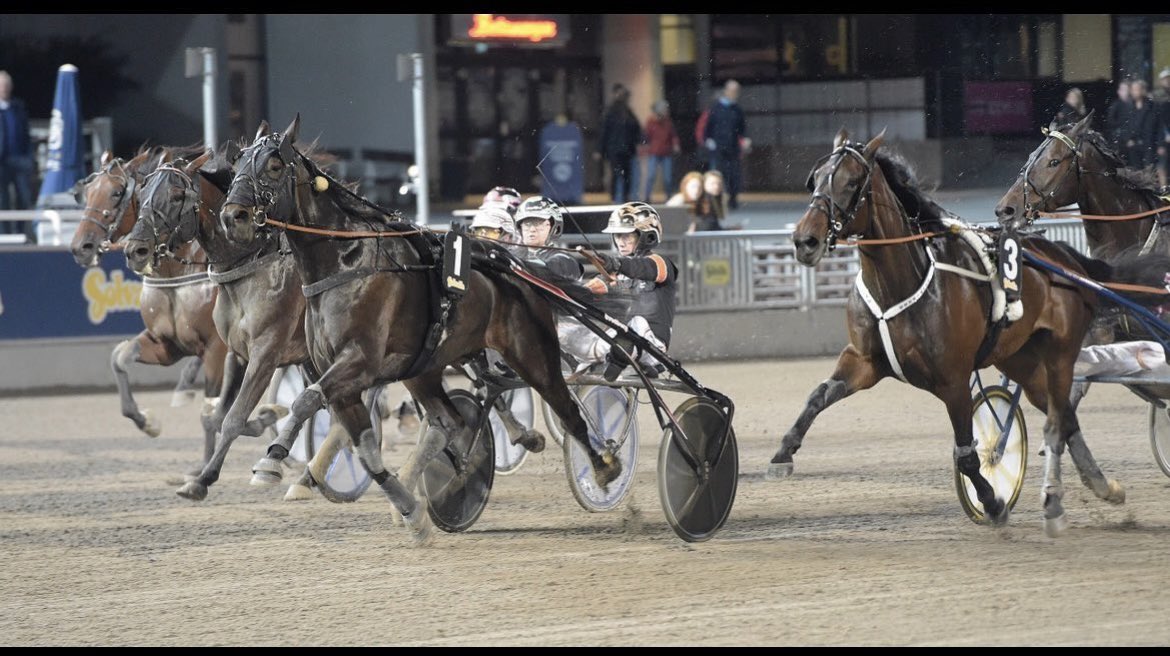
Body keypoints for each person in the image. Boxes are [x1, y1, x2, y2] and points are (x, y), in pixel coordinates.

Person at [578, 202, 679, 381]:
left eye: (627, 236)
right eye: (617, 235)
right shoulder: (614, 273)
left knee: (637, 323)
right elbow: (586, 292)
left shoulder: (662, 263)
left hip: (653, 345)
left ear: (645, 236)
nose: (620, 242)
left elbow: (643, 267)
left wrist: (617, 264)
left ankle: (630, 358)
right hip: (621, 339)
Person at [703, 79, 750, 210]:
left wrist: (745, 139)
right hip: (718, 148)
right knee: (717, 175)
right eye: (732, 91)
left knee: (733, 174)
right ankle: (715, 201)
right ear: (726, 91)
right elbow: (708, 127)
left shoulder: (737, 110)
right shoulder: (716, 108)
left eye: (736, 91)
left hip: (733, 147)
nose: (735, 94)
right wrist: (708, 140)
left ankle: (732, 199)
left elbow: (742, 128)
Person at [594, 83, 643, 204]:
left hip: (624, 148)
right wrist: (599, 149)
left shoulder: (626, 111)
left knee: (625, 174)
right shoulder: (611, 111)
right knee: (617, 174)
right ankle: (615, 197)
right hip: (617, 148)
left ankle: (623, 197)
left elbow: (636, 128)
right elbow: (604, 131)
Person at [0, 70, 35, 237]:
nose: (4, 88)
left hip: (19, 160)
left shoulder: (18, 107)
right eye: (1, 85)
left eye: (6, 85)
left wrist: (29, 158)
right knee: (2, 199)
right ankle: (4, 234)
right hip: (1, 162)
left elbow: (26, 134)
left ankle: (21, 233)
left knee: (23, 197)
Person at [642, 99, 680, 203]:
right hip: (654, 152)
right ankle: (647, 197)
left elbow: (673, 135)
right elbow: (646, 136)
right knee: (651, 176)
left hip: (666, 152)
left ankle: (668, 196)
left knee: (667, 178)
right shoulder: (651, 122)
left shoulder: (668, 122)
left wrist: (675, 144)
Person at [1120, 79, 1160, 171]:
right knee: (1136, 171)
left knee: (1149, 170)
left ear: (1143, 90)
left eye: (1136, 89)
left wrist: (1159, 144)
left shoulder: (1153, 106)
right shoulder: (1129, 107)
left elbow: (1158, 126)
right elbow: (1125, 125)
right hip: (1134, 145)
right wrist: (1128, 139)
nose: (1134, 92)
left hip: (1150, 144)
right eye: (1132, 89)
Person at [1105, 78, 1133, 153]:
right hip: (1119, 136)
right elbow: (1110, 121)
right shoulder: (1115, 105)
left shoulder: (1134, 104)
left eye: (1125, 89)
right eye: (1121, 89)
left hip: (1132, 135)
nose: (1121, 92)